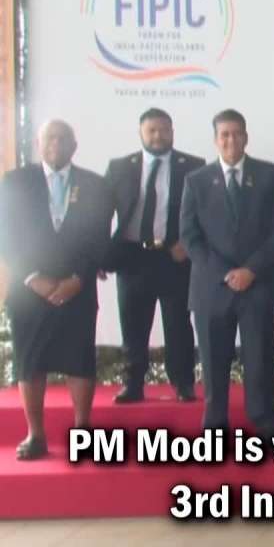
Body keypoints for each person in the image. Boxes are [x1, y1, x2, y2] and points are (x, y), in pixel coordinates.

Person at [0, 120, 112, 460]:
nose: (57, 143)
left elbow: (100, 238)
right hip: (28, 288)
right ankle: (36, 435)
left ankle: (83, 431)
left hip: (77, 286)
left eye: (64, 138)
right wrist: (34, 278)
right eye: (51, 137)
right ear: (38, 142)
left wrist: (78, 278)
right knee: (30, 362)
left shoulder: (95, 185)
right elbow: (6, 234)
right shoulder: (15, 182)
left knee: (80, 361)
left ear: (74, 145)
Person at [180, 109, 274, 437]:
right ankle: (215, 423)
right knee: (214, 362)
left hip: (259, 284)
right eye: (224, 134)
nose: (231, 140)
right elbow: (190, 236)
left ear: (246, 136)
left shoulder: (269, 175)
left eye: (237, 133)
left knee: (259, 360)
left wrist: (251, 270)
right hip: (212, 287)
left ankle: (264, 420)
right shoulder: (196, 181)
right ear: (216, 139)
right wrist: (227, 273)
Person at [103, 107, 204, 404]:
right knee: (133, 325)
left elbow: (205, 211)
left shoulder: (194, 166)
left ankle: (183, 383)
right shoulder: (120, 167)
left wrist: (187, 243)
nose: (158, 136)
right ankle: (133, 384)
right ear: (141, 133)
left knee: (179, 325)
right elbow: (101, 214)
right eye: (152, 131)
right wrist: (101, 255)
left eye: (164, 130)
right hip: (133, 256)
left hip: (174, 257)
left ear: (172, 131)